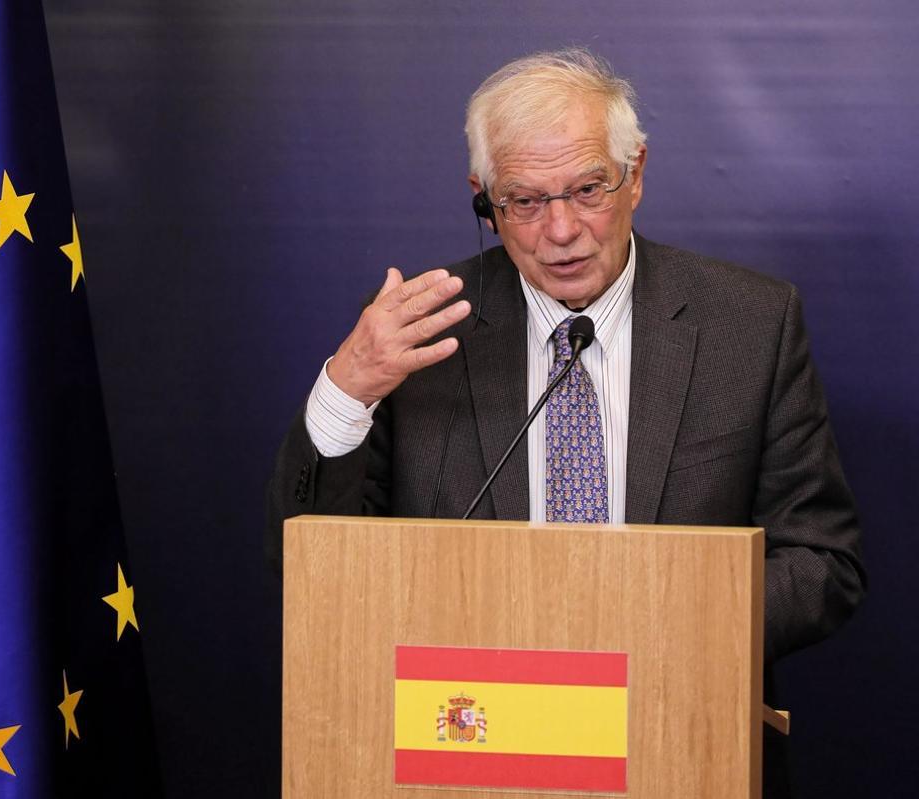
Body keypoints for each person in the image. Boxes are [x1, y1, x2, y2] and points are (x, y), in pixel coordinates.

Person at [266, 48, 864, 795]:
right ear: (483, 198)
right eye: (524, 200)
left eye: (587, 190)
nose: (560, 230)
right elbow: (310, 570)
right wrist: (346, 392)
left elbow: (824, 561)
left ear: (636, 174)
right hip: (469, 749)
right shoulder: (419, 335)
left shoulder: (751, 325)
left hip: (679, 736)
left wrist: (656, 623)